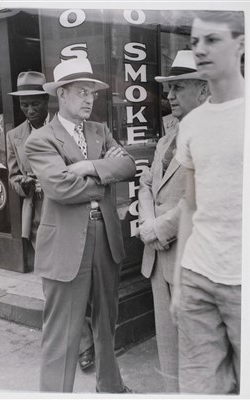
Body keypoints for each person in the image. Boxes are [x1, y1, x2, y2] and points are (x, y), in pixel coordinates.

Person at [24, 57, 136, 393]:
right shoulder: (41, 139)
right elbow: (60, 187)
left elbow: (129, 166)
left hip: (105, 239)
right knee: (63, 333)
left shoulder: (100, 131)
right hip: (66, 246)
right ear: (62, 94)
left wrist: (88, 165)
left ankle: (110, 387)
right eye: (82, 92)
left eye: (93, 94)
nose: (90, 99)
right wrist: (104, 174)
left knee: (107, 323)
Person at [171, 10, 245, 394]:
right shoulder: (192, 124)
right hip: (199, 277)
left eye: (212, 40)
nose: (200, 49)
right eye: (194, 42)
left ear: (242, 45)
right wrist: (182, 282)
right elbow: (190, 205)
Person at [6, 70, 94, 371]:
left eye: (35, 104)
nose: (30, 111)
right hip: (39, 218)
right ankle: (82, 343)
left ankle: (89, 337)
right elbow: (13, 175)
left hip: (70, 213)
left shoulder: (66, 129)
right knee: (54, 284)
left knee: (79, 278)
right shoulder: (14, 136)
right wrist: (25, 184)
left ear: (48, 101)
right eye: (24, 105)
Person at [138, 50, 209, 393]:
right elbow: (147, 183)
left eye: (177, 87)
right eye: (168, 89)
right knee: (168, 353)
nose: (168, 96)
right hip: (158, 258)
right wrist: (149, 222)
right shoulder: (168, 137)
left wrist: (158, 228)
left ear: (204, 90)